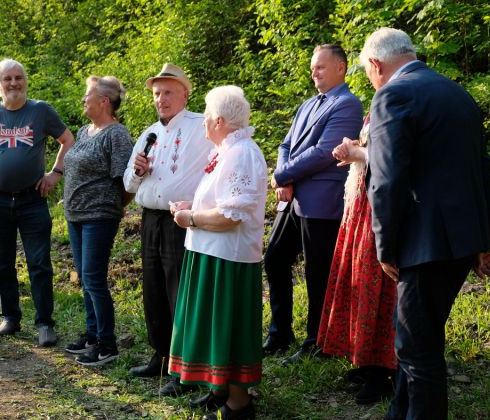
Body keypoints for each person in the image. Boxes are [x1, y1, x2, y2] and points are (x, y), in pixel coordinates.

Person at [360, 27, 490, 419]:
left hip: (424, 243)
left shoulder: (393, 94)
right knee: (420, 334)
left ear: (376, 64)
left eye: (369, 73)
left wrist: (384, 246)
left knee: (417, 350)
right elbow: (482, 170)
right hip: (459, 240)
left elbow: (387, 181)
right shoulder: (457, 92)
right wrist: (484, 239)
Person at [168, 85, 267, 420]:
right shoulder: (226, 150)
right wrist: (191, 206)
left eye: (207, 117)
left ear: (221, 121)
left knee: (229, 328)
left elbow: (231, 215)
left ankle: (239, 405)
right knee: (216, 327)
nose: (204, 123)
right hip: (211, 253)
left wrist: (190, 218)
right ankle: (219, 390)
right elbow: (219, 201)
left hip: (228, 259)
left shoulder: (242, 153)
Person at [264, 45, 363, 362]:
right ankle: (280, 333)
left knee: (318, 272)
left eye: (321, 67)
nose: (314, 72)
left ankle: (318, 341)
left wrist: (282, 175)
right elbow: (286, 144)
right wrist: (284, 176)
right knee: (274, 258)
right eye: (312, 67)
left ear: (341, 68)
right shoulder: (307, 105)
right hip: (293, 197)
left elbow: (325, 151)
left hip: (322, 200)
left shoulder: (347, 104)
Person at [0, 59, 75, 347]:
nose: (14, 83)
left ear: (25, 80)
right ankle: (10, 318)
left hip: (32, 200)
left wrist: (55, 173)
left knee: (39, 263)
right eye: (8, 79)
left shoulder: (40, 111)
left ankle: (44, 323)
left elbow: (68, 139)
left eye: (19, 78)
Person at [123, 63, 213, 396]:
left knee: (180, 291)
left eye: (168, 92)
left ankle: (185, 365)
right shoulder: (149, 133)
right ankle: (160, 354)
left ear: (185, 94)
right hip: (150, 217)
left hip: (181, 219)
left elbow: (214, 167)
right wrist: (137, 171)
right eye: (157, 93)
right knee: (154, 289)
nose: (161, 99)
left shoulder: (200, 126)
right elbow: (127, 183)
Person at [316, 113, 396, 405]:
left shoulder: (399, 103)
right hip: (362, 204)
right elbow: (373, 147)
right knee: (360, 284)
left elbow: (392, 156)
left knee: (378, 288)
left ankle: (384, 371)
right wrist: (353, 148)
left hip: (379, 209)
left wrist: (356, 152)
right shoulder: (377, 107)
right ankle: (368, 362)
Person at [63, 75, 133, 366]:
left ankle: (107, 344)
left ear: (104, 101)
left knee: (94, 278)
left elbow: (128, 183)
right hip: (75, 215)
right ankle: (92, 335)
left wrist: (112, 205)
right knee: (85, 278)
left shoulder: (116, 135)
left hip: (99, 217)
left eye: (87, 95)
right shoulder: (84, 131)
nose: (83, 100)